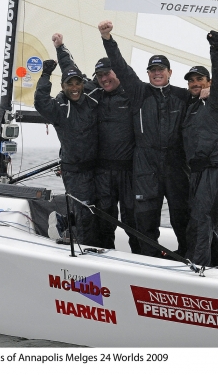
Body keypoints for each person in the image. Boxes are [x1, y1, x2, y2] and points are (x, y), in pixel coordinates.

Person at [98, 20, 191, 258]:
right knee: (146, 217)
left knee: (181, 215)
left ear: (170, 73)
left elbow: (213, 103)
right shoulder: (138, 91)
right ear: (147, 73)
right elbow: (120, 65)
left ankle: (189, 257)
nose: (157, 73)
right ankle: (149, 260)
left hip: (176, 165)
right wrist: (107, 38)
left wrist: (207, 91)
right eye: (153, 70)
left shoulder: (184, 96)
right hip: (145, 164)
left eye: (162, 70)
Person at [51, 33, 140, 253]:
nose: (103, 79)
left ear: (116, 72)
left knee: (133, 221)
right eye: (99, 75)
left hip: (129, 172)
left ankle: (144, 260)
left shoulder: (132, 92)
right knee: (103, 222)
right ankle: (103, 258)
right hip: (102, 173)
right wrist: (60, 47)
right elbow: (71, 73)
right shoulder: (93, 92)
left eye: (107, 73)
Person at [181, 30, 218, 271]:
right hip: (197, 174)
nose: (195, 83)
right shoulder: (190, 107)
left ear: (209, 82)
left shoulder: (217, 100)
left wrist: (216, 48)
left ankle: (199, 270)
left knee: (202, 221)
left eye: (200, 79)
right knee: (199, 223)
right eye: (191, 80)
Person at [33, 58, 99, 245]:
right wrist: (45, 75)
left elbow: (76, 68)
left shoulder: (91, 99)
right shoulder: (58, 108)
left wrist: (61, 48)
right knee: (85, 213)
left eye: (78, 83)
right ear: (62, 86)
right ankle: (82, 245)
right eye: (70, 84)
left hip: (96, 169)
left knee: (98, 211)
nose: (75, 87)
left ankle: (67, 223)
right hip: (74, 171)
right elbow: (40, 102)